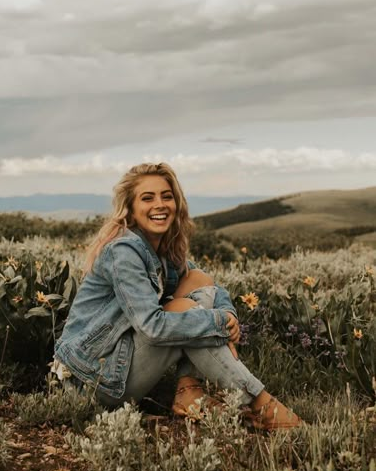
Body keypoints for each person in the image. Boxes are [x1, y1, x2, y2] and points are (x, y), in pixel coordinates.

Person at [53, 162, 300, 430]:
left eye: (166, 196)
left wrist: (228, 313)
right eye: (147, 198)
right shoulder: (123, 251)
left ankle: (188, 391)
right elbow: (153, 327)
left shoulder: (161, 249)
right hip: (90, 380)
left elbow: (208, 284)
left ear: (177, 203)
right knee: (185, 311)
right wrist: (216, 324)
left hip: (117, 363)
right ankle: (261, 403)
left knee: (197, 284)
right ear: (131, 210)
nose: (159, 204)